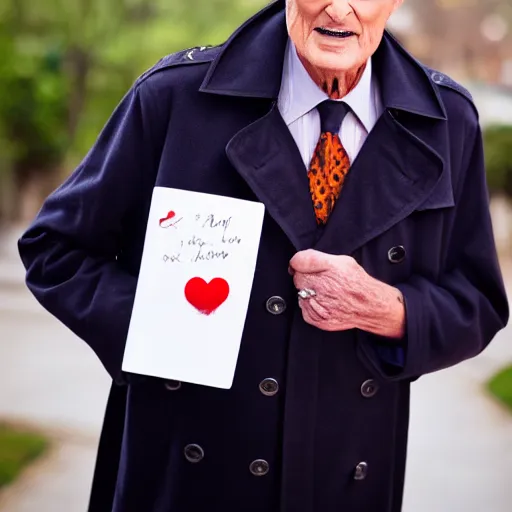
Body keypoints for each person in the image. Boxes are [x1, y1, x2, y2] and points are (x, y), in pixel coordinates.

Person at [17, 0, 509, 511]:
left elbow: (477, 299)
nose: (339, 9)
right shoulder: (173, 97)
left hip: (348, 480)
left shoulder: (448, 122)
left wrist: (390, 310)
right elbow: (56, 250)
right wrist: (161, 332)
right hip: (184, 476)